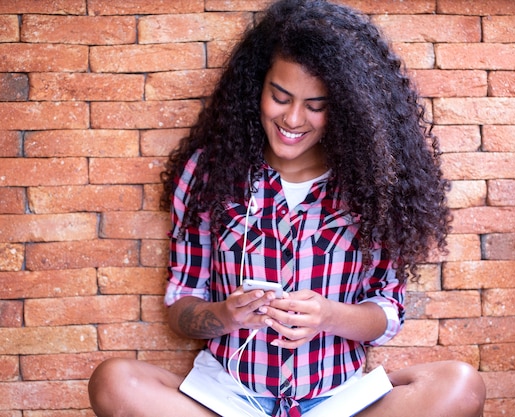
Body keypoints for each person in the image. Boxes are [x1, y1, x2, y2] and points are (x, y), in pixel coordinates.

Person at [88, 0, 486, 416]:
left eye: (316, 106)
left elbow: (387, 310)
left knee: (460, 386)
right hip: (226, 400)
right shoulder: (210, 172)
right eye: (280, 97)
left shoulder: (374, 186)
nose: (294, 119)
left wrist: (328, 316)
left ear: (350, 109)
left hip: (337, 402)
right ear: (256, 87)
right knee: (115, 382)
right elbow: (181, 303)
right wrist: (226, 315)